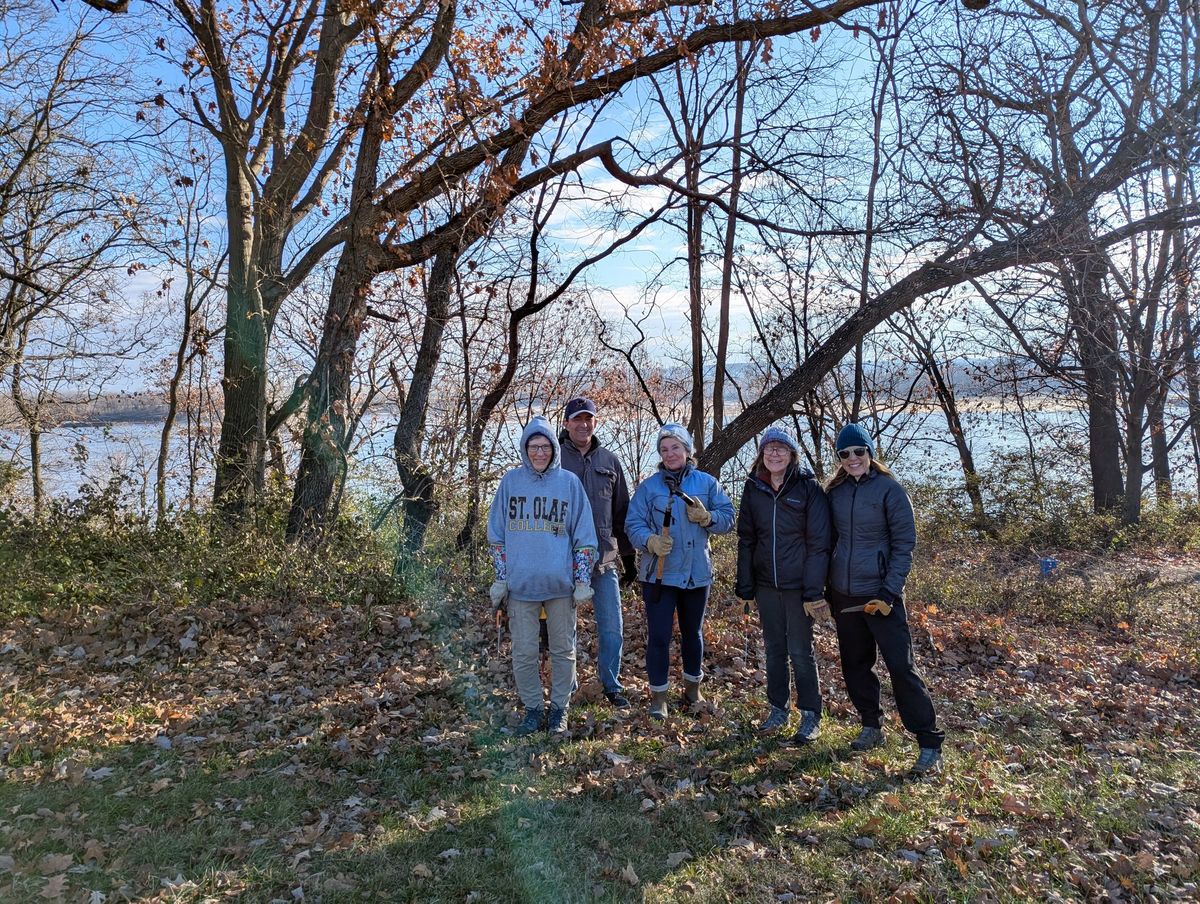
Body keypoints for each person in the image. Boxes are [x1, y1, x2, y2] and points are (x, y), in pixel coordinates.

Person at [825, 422, 945, 775]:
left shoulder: (890, 490)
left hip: (881, 596)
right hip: (845, 595)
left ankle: (928, 743)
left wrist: (888, 593)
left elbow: (904, 546)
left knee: (901, 668)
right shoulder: (835, 492)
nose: (852, 459)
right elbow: (824, 541)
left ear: (870, 453)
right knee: (856, 665)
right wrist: (824, 590)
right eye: (844, 454)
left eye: (858, 452)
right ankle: (871, 726)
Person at [488, 415, 598, 737]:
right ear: (525, 448)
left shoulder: (569, 484)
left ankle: (559, 709)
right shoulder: (510, 483)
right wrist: (501, 578)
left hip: (561, 588)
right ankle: (534, 709)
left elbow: (585, 537)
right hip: (521, 588)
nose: (540, 452)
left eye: (545, 446)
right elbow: (497, 536)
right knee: (524, 652)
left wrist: (581, 581)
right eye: (533, 446)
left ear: (554, 448)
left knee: (563, 650)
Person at [625, 423, 735, 720]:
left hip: (696, 574)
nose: (670, 453)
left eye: (675, 447)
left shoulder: (707, 484)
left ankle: (692, 689)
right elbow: (632, 524)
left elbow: (728, 518)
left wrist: (708, 517)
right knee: (659, 636)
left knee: (693, 634)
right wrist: (649, 541)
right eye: (664, 449)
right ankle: (659, 697)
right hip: (659, 576)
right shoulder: (649, 488)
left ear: (687, 450)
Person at [734, 426, 832, 743]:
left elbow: (819, 544)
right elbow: (746, 540)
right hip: (765, 585)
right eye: (769, 448)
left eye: (781, 448)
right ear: (761, 454)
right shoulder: (754, 488)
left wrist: (813, 592)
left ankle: (810, 715)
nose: (774, 453)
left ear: (792, 454)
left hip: (798, 587)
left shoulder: (808, 489)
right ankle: (778, 708)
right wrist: (745, 588)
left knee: (800, 652)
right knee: (774, 650)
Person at [558, 395, 635, 708]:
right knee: (565, 630)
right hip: (564, 559)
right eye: (577, 419)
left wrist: (629, 560)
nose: (583, 424)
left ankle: (612, 686)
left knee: (612, 628)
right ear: (566, 424)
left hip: (604, 560)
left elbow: (622, 513)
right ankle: (569, 687)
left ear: (595, 422)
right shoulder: (555, 459)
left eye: (588, 418)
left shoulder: (609, 461)